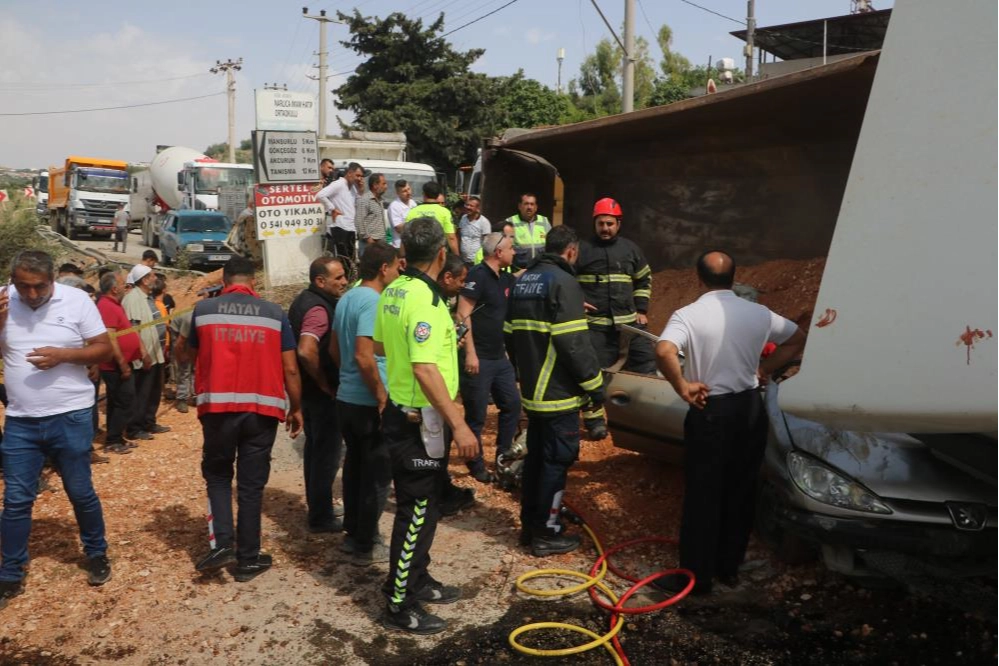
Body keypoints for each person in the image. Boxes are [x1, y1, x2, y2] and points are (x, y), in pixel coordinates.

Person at [653, 250, 806, 596]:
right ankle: (729, 568)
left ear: (698, 278)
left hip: (711, 409)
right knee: (741, 490)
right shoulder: (758, 313)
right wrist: (765, 370)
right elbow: (797, 339)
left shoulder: (687, 315)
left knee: (703, 495)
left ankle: (696, 577)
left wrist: (683, 386)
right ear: (734, 279)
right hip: (750, 410)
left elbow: (663, 351)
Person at [374, 217, 478, 634]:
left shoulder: (393, 290)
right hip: (419, 421)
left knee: (429, 505)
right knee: (415, 512)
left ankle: (418, 580)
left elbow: (383, 345)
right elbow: (422, 367)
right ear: (441, 254)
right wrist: (461, 423)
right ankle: (399, 602)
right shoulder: (426, 301)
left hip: (410, 414)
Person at [0, 250, 115, 606]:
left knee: (80, 491)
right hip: (20, 419)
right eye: (24, 287)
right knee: (16, 499)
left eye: (39, 287)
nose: (31, 295)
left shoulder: (77, 300)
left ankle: (96, 553)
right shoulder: (3, 301)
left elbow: (103, 350)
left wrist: (64, 355)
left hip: (71, 414)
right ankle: (10, 571)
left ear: (52, 280)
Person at [190, 257, 303, 582]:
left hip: (217, 411)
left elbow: (189, 353)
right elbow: (291, 368)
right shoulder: (274, 313)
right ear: (253, 281)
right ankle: (248, 560)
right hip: (261, 411)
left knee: (218, 475)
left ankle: (223, 542)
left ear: (225, 281)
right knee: (252, 487)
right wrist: (296, 407)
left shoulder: (204, 311)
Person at [508, 225, 603, 557]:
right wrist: (595, 386)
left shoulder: (523, 282)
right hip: (558, 394)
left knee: (537, 459)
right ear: (572, 251)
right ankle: (547, 533)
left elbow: (511, 334)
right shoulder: (564, 282)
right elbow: (573, 344)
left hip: (533, 391)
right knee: (555, 462)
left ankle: (529, 526)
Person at [331, 242, 400, 566]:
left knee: (356, 467)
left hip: (347, 397)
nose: (399, 271)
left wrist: (347, 378)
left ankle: (352, 533)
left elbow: (334, 349)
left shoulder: (347, 298)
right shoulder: (373, 302)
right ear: (384, 268)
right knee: (376, 473)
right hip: (368, 401)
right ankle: (366, 543)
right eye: (397, 266)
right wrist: (382, 395)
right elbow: (363, 354)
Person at [575, 197, 656, 440]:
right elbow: (566, 279)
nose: (605, 228)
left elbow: (644, 279)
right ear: (594, 223)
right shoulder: (582, 250)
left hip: (630, 325)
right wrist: (576, 300)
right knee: (592, 375)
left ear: (618, 224)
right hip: (595, 327)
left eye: (610, 223)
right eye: (601, 223)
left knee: (646, 366)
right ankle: (595, 421)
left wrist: (642, 310)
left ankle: (649, 417)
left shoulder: (631, 250)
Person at [288, 257, 349, 533]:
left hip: (308, 391)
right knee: (326, 454)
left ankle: (319, 507)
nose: (344, 282)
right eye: (338, 278)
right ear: (320, 281)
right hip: (321, 394)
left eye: (344, 276)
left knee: (315, 451)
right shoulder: (318, 309)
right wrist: (325, 383)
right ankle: (321, 517)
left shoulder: (304, 300)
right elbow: (305, 350)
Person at [457, 232, 520, 484]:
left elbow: (520, 278)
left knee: (512, 404)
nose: (514, 251)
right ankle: (476, 463)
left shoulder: (503, 278)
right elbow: (463, 314)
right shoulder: (477, 276)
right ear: (498, 252)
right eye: (511, 248)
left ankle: (504, 456)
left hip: (499, 357)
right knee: (477, 415)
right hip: (478, 357)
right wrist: (470, 353)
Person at [96, 271, 146, 454]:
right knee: (124, 401)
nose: (126, 286)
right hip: (114, 366)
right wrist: (122, 364)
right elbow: (111, 338)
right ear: (114, 288)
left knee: (118, 401)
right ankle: (113, 440)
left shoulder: (114, 304)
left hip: (120, 363)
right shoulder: (107, 306)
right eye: (123, 283)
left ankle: (116, 436)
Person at [121, 265, 169, 441]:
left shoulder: (146, 297)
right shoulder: (133, 299)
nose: (155, 278)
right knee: (141, 391)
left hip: (155, 353)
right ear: (144, 279)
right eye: (152, 275)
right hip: (143, 355)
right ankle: (134, 428)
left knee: (153, 390)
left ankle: (149, 421)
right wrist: (143, 353)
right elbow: (134, 329)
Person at [316, 161, 364, 259]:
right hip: (340, 228)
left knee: (350, 261)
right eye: (357, 175)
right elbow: (320, 195)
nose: (359, 178)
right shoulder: (339, 184)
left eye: (361, 176)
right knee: (343, 260)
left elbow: (355, 205)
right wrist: (332, 208)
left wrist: (360, 190)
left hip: (350, 228)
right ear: (350, 173)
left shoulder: (353, 188)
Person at [404, 182, 458, 256]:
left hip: (416, 255)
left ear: (424, 194)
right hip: (437, 256)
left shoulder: (413, 211)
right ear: (438, 195)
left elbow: (405, 235)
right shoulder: (444, 212)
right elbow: (451, 237)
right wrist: (457, 256)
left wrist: (402, 255)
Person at [505, 193, 551, 270]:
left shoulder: (544, 221)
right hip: (518, 270)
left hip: (540, 269)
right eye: (526, 204)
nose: (529, 207)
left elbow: (551, 245)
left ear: (536, 207)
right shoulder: (510, 222)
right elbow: (505, 248)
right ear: (520, 206)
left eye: (532, 204)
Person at [355, 173, 389, 255]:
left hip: (380, 242)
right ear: (375, 185)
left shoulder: (380, 200)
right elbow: (359, 222)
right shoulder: (365, 200)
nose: (386, 186)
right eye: (383, 184)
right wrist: (368, 239)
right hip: (369, 243)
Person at [457, 196, 490, 265]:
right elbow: (459, 235)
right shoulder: (463, 218)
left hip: (476, 262)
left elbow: (487, 243)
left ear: (477, 209)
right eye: (467, 205)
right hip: (462, 260)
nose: (468, 207)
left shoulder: (484, 222)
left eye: (471, 206)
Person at [387, 179, 417, 249]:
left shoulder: (413, 203)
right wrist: (415, 224)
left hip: (413, 244)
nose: (408, 192)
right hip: (400, 245)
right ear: (398, 193)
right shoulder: (394, 206)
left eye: (408, 189)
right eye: (404, 191)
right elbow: (399, 228)